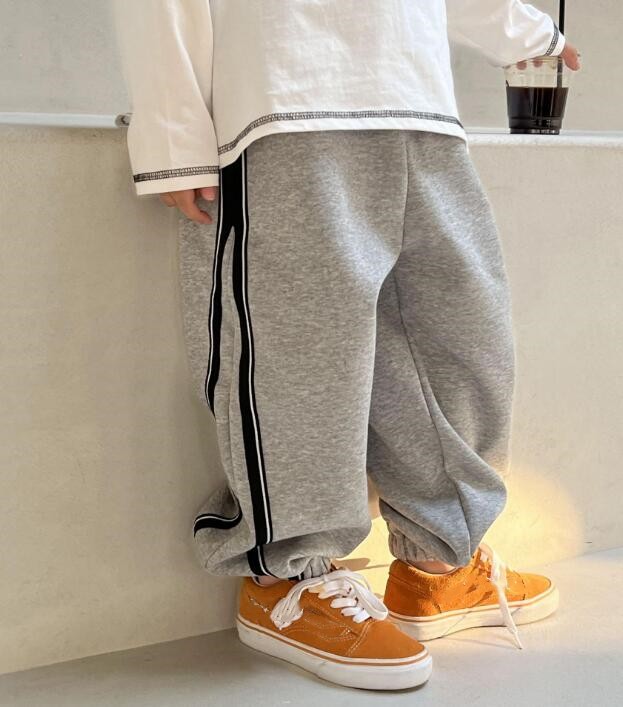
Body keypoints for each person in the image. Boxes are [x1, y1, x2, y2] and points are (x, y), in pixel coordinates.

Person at [112, 0, 581, 691]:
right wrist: (172, 130)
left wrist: (528, 30)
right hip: (280, 101)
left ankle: (437, 565)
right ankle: (284, 580)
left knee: (462, 344)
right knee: (300, 357)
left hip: (419, 108)